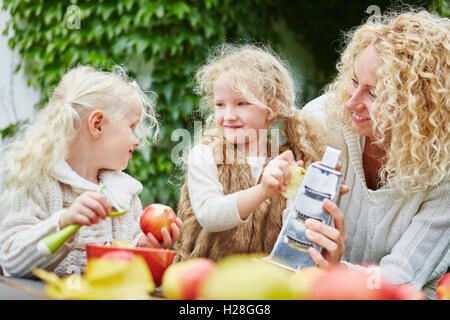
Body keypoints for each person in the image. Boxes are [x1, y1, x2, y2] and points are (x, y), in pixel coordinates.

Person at [302, 10, 449, 299]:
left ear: (420, 107)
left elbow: (401, 279)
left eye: (374, 94)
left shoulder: (444, 170)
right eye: (354, 82)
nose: (350, 103)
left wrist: (339, 271)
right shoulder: (319, 121)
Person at [0, 65, 183, 278]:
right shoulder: (35, 180)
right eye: (131, 127)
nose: (137, 140)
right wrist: (63, 222)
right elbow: (11, 259)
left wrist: (145, 250)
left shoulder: (124, 194)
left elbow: (127, 271)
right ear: (97, 124)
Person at [174, 44, 346, 262]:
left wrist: (316, 193)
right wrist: (263, 190)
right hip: (201, 280)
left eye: (241, 103)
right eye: (220, 104)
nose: (228, 115)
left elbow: (294, 230)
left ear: (270, 109)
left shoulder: (287, 162)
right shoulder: (204, 154)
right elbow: (209, 215)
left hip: (263, 284)